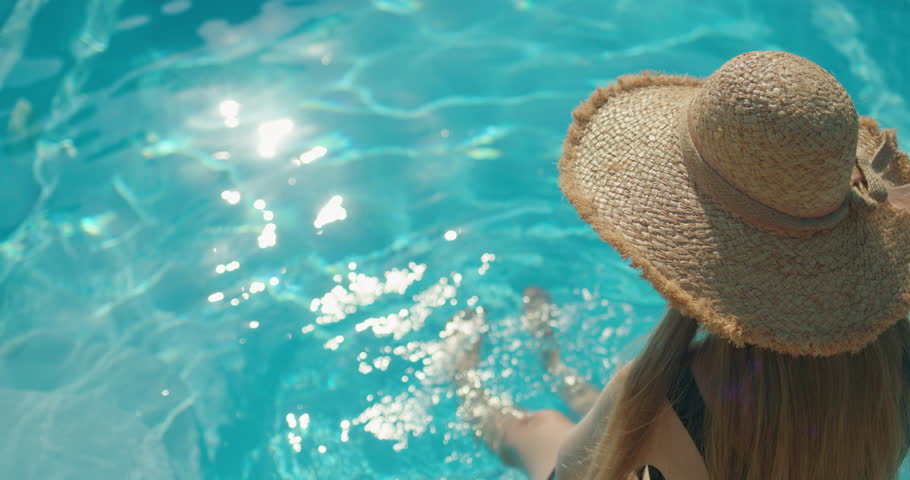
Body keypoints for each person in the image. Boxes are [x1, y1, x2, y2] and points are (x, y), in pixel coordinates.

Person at [441, 50, 910, 480]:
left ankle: (467, 375)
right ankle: (560, 370)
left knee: (534, 429)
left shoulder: (668, 391)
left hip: (643, 437)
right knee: (610, 421)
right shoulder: (896, 355)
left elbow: (570, 475)